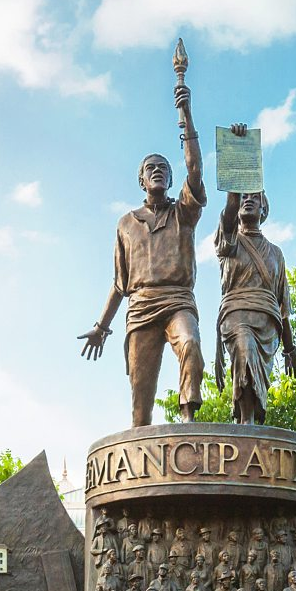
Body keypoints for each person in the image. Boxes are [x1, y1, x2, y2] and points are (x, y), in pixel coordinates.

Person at [79, 74, 206, 427]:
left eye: (164, 169)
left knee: (191, 345)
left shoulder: (183, 212)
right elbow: (120, 283)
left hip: (178, 298)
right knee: (140, 400)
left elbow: (195, 169)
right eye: (151, 169)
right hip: (141, 307)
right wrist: (100, 326)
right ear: (141, 180)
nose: (158, 173)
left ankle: (188, 419)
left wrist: (187, 114)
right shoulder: (125, 223)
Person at [213, 144, 296, 424]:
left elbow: (283, 305)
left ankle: (252, 422)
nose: (248, 200)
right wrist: (238, 158)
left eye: (255, 198)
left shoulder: (276, 253)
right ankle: (245, 421)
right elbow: (228, 211)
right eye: (244, 197)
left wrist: (290, 348)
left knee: (258, 373)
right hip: (237, 313)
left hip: (268, 324)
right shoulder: (229, 241)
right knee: (244, 349)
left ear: (264, 210)